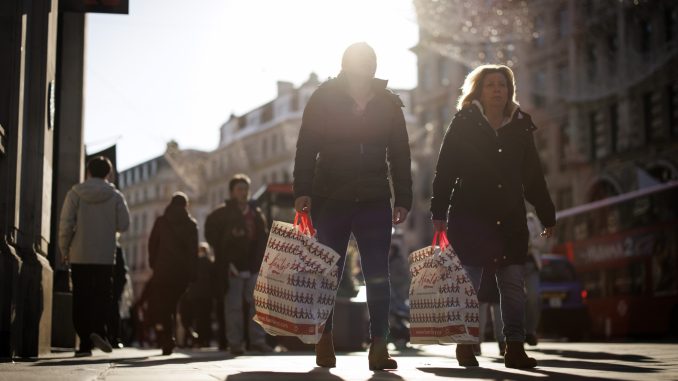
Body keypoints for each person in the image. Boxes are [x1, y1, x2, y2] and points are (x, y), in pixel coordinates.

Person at [293, 42, 412, 370]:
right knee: (328, 270)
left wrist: (403, 197)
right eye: (361, 61)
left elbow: (400, 152)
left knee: (378, 273)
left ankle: (379, 345)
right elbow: (307, 146)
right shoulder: (325, 97)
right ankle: (324, 338)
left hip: (374, 198)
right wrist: (302, 190)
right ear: (347, 64)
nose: (367, 66)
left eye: (371, 61)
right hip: (330, 196)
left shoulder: (389, 102)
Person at [430, 64, 555, 369]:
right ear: (479, 90)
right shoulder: (464, 122)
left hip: (510, 218)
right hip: (471, 216)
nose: (497, 89)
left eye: (502, 84)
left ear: (509, 90)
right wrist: (438, 211)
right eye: (491, 85)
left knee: (513, 284)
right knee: (469, 286)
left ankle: (514, 346)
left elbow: (533, 175)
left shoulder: (522, 125)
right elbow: (445, 168)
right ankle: (465, 343)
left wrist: (546, 212)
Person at [58, 156, 130, 357]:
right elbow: (124, 224)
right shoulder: (115, 196)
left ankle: (84, 341)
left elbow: (65, 224)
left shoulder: (75, 193)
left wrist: (64, 250)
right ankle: (98, 330)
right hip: (105, 256)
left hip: (80, 254)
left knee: (81, 296)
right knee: (102, 296)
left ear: (88, 171)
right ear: (108, 173)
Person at [206, 174, 270, 355]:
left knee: (257, 306)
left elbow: (262, 238)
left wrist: (261, 262)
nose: (244, 193)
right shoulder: (221, 214)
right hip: (232, 267)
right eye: (240, 189)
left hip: (253, 266)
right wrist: (225, 258)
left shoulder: (256, 214)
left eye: (246, 189)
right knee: (233, 306)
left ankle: (257, 341)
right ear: (232, 192)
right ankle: (235, 343)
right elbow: (211, 234)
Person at [147, 192, 198, 355]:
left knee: (164, 306)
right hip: (181, 273)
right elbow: (193, 251)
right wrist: (192, 273)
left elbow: (152, 244)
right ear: (185, 206)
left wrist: (154, 264)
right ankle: (176, 336)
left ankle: (166, 338)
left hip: (162, 271)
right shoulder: (191, 224)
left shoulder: (161, 222)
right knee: (176, 305)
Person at [179, 243, 215, 347]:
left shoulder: (195, 262)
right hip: (207, 295)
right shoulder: (209, 262)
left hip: (195, 296)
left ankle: (198, 340)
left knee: (197, 318)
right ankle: (205, 340)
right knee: (206, 317)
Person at [525, 212, 546, 346]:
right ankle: (517, 332)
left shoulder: (533, 220)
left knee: (534, 297)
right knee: (516, 299)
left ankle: (530, 331)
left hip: (532, 265)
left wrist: (530, 243)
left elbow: (542, 240)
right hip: (515, 263)